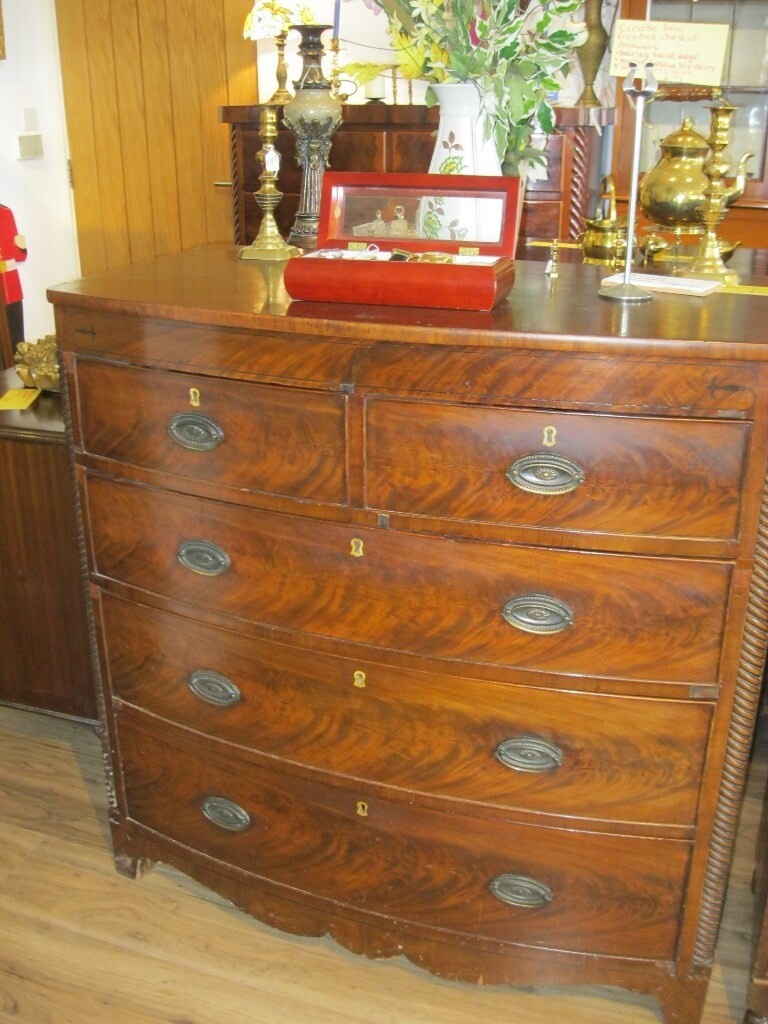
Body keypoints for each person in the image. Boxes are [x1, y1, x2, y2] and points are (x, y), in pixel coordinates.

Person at [0, 204, 28, 349]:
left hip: (10, 287)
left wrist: (21, 247)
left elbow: (20, 255)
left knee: (16, 341)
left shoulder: (5, 212)